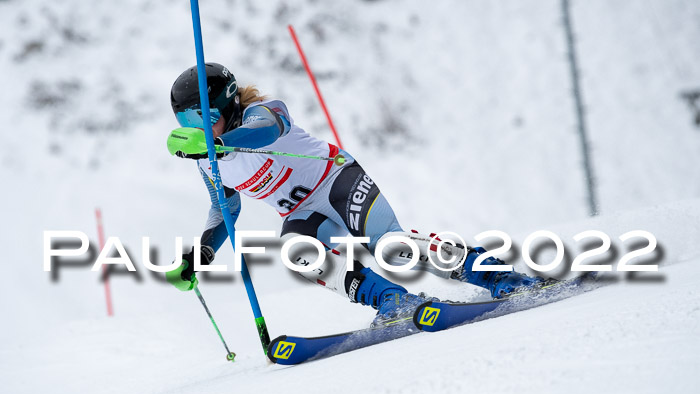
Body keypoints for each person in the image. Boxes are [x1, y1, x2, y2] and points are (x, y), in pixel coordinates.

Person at [165, 63, 546, 326]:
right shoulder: (208, 160)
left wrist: (219, 144)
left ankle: (498, 276)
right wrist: (202, 253)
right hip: (303, 211)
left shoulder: (261, 112)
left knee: (392, 248)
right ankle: (394, 301)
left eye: (201, 116)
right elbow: (224, 207)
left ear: (227, 102)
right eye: (186, 121)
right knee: (299, 256)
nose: (197, 128)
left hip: (336, 182)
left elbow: (266, 132)